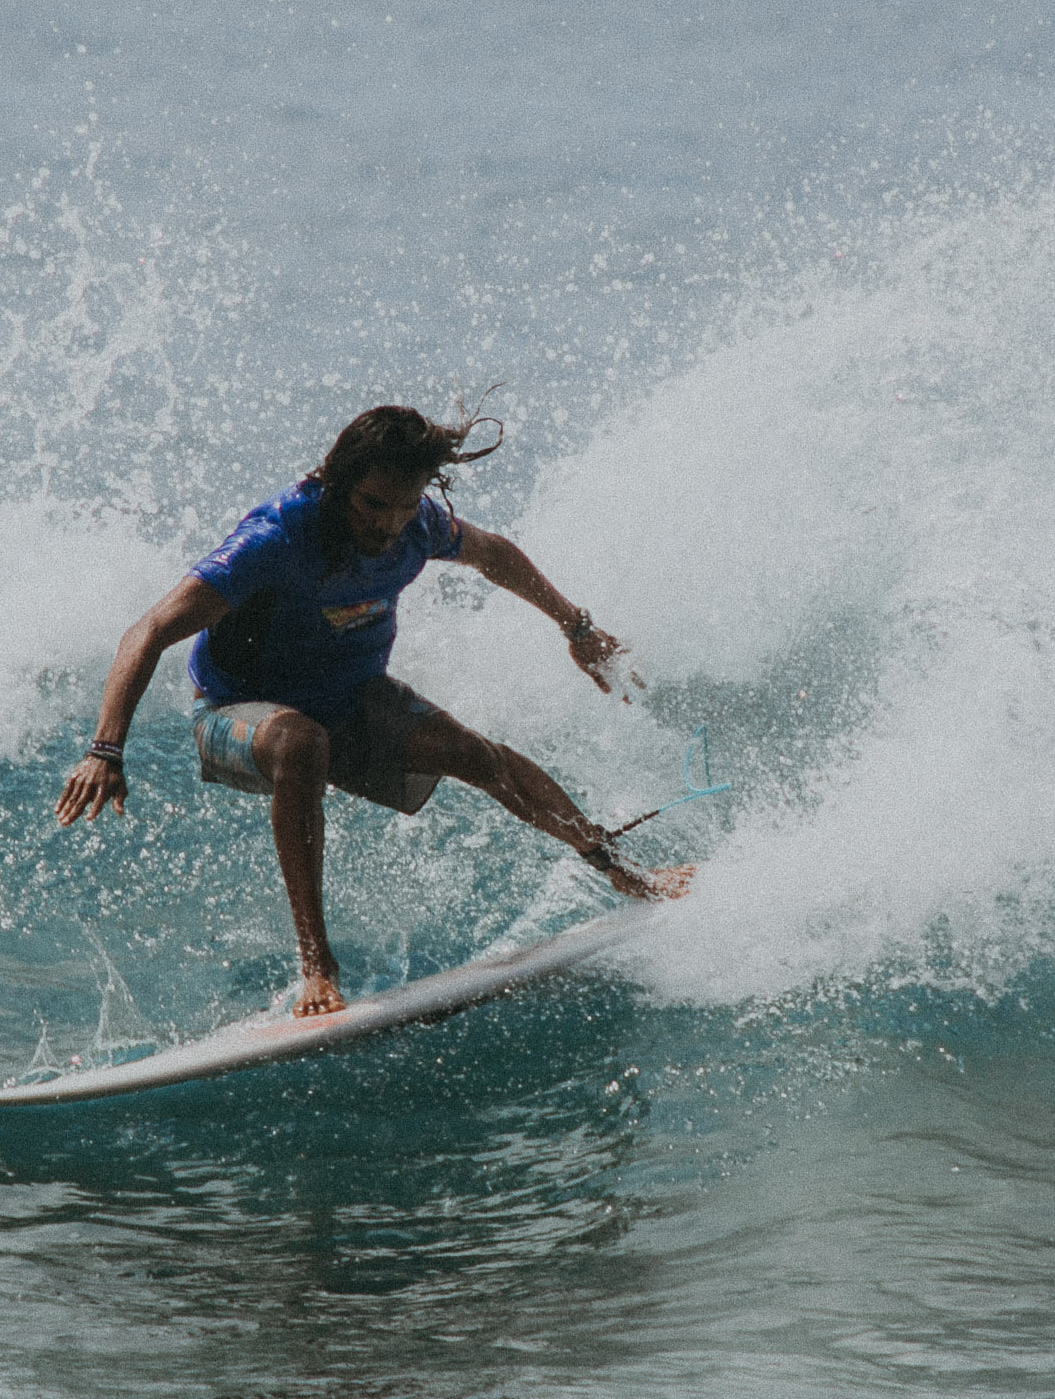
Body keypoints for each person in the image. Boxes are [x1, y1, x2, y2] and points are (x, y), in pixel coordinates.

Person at [52, 404, 688, 1017]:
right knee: (301, 743)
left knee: (474, 755)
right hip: (236, 710)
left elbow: (495, 555)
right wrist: (105, 749)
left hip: (351, 698)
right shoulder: (275, 538)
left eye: (405, 505)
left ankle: (624, 870)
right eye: (373, 505)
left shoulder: (419, 527)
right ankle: (316, 966)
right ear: (337, 483)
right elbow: (146, 632)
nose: (389, 524)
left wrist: (577, 628)